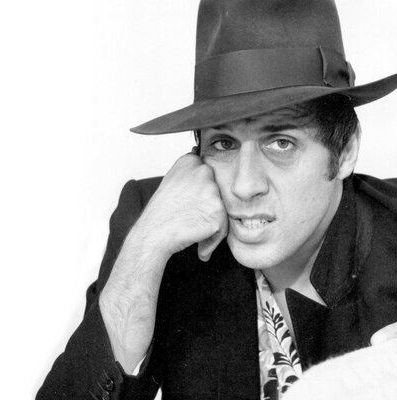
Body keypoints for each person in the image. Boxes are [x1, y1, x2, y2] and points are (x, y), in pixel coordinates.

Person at [37, 0, 397, 399]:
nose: (244, 185)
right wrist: (146, 247)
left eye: (281, 143)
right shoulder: (159, 224)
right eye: (223, 144)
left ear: (344, 151)